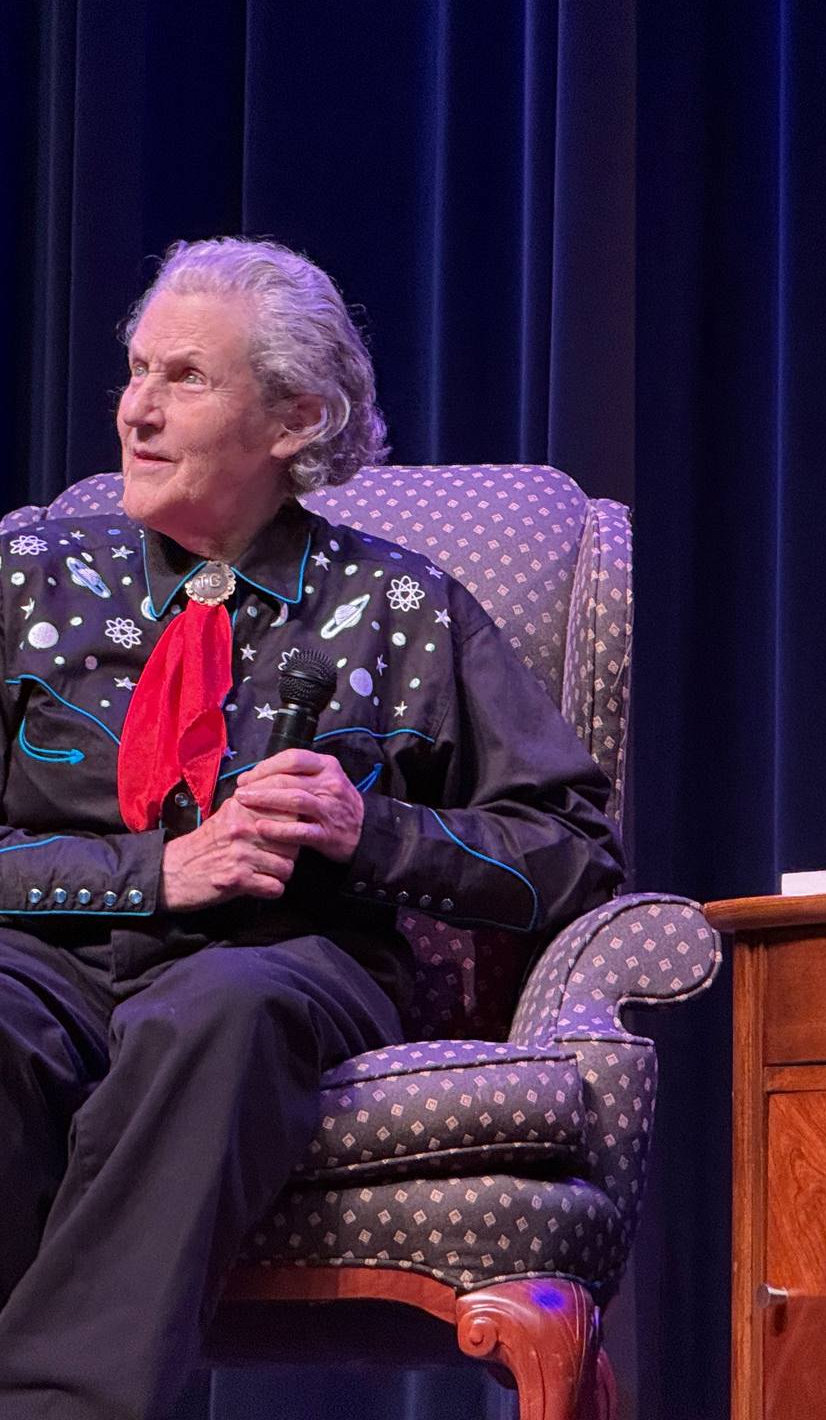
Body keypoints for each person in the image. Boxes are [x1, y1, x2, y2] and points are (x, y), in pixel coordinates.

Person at [0, 238, 624, 1419]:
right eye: (134, 371)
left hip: (283, 959)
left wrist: (371, 830)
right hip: (48, 954)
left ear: (296, 418)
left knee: (218, 1013)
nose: (135, 410)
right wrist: (153, 871)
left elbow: (574, 851)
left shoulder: (401, 609)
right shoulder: (28, 577)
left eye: (183, 378)